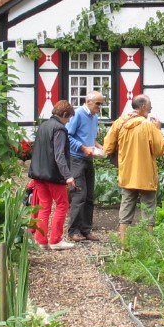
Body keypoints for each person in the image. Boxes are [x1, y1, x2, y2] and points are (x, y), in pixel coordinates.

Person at [103, 94, 164, 243]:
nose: (150, 110)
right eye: (150, 107)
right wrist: (158, 130)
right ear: (143, 107)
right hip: (146, 174)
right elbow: (159, 150)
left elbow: (107, 147)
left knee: (126, 205)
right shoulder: (148, 126)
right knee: (148, 208)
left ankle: (123, 242)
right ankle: (147, 243)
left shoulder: (120, 122)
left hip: (127, 173)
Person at [28, 99, 77, 250]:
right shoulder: (59, 129)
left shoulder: (43, 126)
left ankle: (41, 241)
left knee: (44, 206)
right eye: (68, 118)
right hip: (53, 175)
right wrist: (68, 175)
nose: (68, 121)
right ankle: (55, 240)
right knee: (62, 205)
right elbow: (59, 155)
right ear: (63, 114)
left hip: (39, 174)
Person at [65, 90, 105, 243]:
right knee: (79, 195)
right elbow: (68, 135)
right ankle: (73, 230)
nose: (100, 107)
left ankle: (86, 230)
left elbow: (89, 138)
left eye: (101, 104)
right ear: (88, 101)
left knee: (89, 196)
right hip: (76, 159)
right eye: (98, 103)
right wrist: (83, 148)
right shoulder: (78, 114)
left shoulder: (94, 117)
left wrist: (98, 146)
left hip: (88, 159)